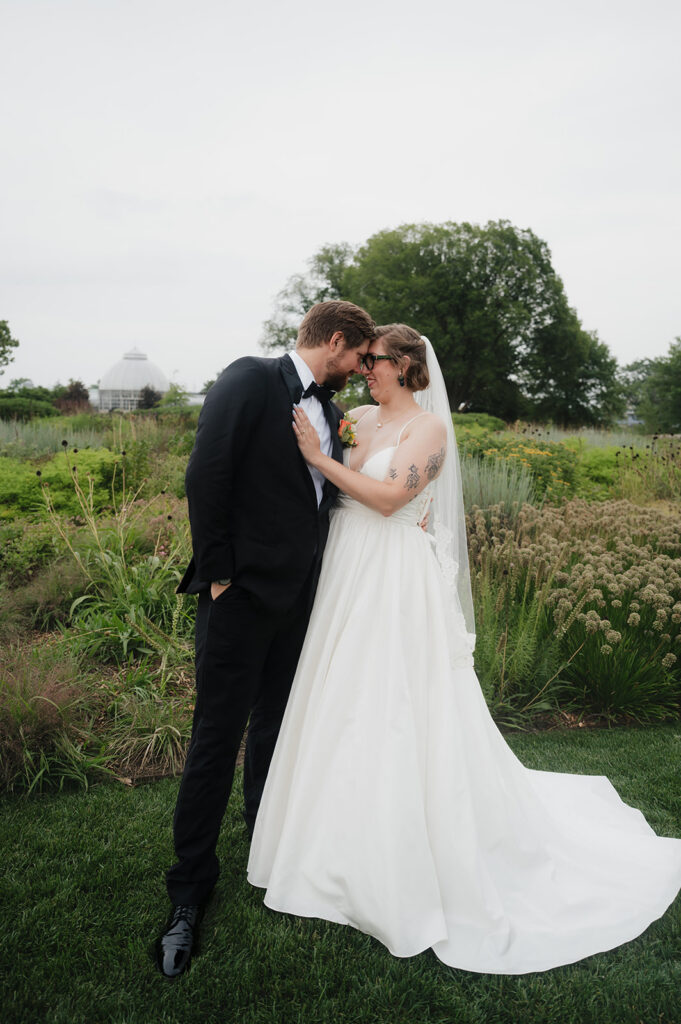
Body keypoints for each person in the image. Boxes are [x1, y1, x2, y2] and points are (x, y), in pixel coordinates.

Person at [247, 324, 681, 974]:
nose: (366, 371)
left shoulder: (428, 432)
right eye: (364, 362)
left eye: (378, 363)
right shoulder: (356, 418)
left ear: (409, 370)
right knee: (338, 701)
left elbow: (393, 498)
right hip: (343, 570)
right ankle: (327, 845)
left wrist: (320, 460)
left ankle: (396, 856)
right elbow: (323, 478)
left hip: (391, 576)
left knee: (393, 705)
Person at [156, 300, 376, 978]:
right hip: (241, 596)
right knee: (216, 740)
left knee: (276, 730)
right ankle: (189, 893)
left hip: (301, 598)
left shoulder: (330, 412)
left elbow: (318, 494)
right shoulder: (250, 377)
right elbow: (206, 474)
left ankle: (267, 850)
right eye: (357, 357)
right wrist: (220, 576)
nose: (360, 369)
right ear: (335, 342)